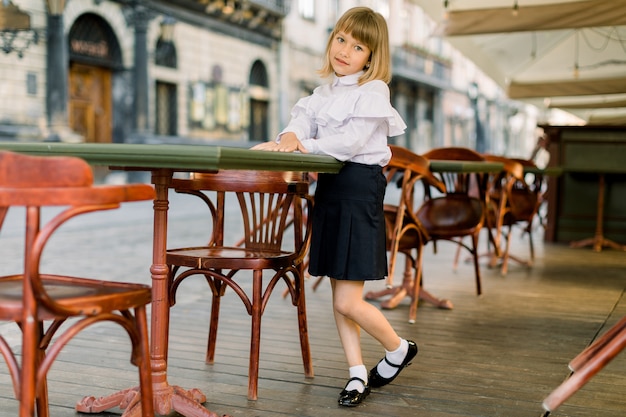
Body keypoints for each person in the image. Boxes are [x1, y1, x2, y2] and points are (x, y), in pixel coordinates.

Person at [251, 7, 417, 407]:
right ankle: (357, 373)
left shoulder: (374, 92)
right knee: (339, 292)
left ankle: (398, 349)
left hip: (359, 190)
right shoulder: (321, 95)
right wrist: (289, 136)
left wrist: (300, 145)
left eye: (358, 46)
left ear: (371, 57)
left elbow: (348, 144)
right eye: (341, 39)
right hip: (330, 191)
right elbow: (301, 122)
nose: (345, 50)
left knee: (347, 299)